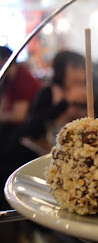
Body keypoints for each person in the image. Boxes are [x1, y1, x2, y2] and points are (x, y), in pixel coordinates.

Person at [0, 46, 42, 209]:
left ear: (5, 60)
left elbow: (19, 116)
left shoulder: (21, 78)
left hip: (28, 135)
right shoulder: (9, 79)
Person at [25, 50, 88, 141]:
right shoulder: (48, 93)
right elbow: (32, 128)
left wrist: (90, 102)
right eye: (75, 68)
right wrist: (66, 101)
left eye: (83, 69)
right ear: (60, 71)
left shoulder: (87, 93)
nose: (80, 75)